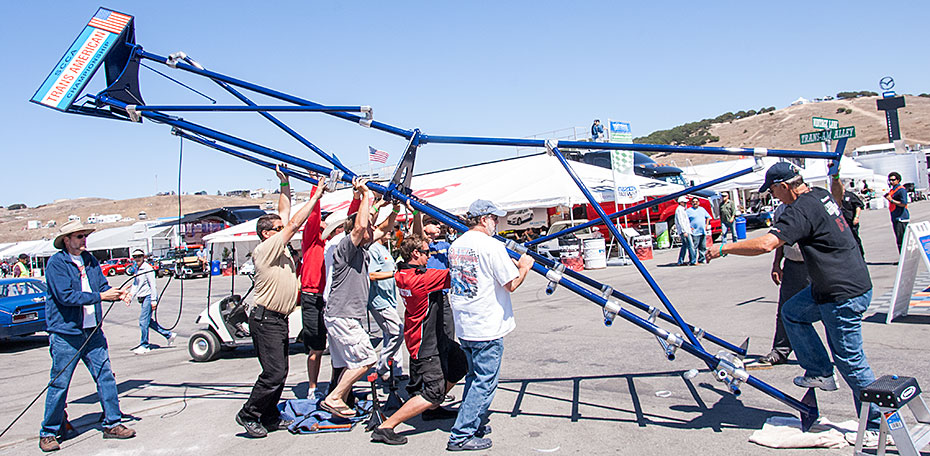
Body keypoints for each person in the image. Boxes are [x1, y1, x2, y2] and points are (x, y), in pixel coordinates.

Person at [707, 162, 882, 445]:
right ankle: (819, 372)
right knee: (792, 312)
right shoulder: (820, 195)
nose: (775, 197)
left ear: (784, 186)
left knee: (851, 361)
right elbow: (837, 194)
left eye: (774, 191)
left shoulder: (799, 210)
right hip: (840, 286)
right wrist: (835, 175)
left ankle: (876, 425)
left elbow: (766, 244)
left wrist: (724, 248)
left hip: (841, 294)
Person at [236, 167, 327, 438]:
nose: (282, 230)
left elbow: (284, 215)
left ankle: (271, 414)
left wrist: (285, 183)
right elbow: (291, 224)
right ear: (266, 234)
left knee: (281, 371)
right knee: (274, 373)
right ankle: (248, 414)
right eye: (276, 229)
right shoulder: (266, 248)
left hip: (278, 318)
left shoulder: (277, 243)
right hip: (266, 319)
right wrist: (316, 196)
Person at [446, 199, 534, 452]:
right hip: (486, 322)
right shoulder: (491, 246)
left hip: (466, 321)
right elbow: (511, 283)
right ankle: (461, 435)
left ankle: (471, 423)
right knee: (485, 381)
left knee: (474, 377)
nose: (497, 222)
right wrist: (525, 267)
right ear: (484, 219)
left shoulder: (457, 244)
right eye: (494, 218)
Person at [40, 220, 135, 452]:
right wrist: (101, 297)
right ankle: (49, 431)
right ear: (67, 240)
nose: (84, 240)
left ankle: (113, 423)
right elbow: (66, 296)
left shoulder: (90, 261)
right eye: (79, 236)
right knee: (60, 384)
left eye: (85, 236)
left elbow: (102, 286)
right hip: (66, 333)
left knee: (106, 377)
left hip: (93, 332)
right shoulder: (56, 264)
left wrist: (119, 293)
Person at [370, 233, 467, 445]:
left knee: (461, 363)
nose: (429, 256)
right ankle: (386, 426)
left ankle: (432, 408)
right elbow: (458, 274)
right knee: (433, 391)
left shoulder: (402, 272)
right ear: (415, 253)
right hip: (426, 343)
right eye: (426, 253)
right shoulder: (421, 279)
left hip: (431, 337)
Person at [320, 178, 398, 419]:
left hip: (344, 313)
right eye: (366, 229)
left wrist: (394, 208)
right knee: (366, 359)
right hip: (341, 313)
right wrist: (367, 196)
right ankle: (334, 397)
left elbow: (383, 228)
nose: (370, 232)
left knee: (347, 362)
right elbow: (360, 226)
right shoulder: (344, 247)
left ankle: (340, 398)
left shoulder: (362, 247)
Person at [754, 203, 809, 366]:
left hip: (815, 264)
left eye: (774, 189)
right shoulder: (781, 210)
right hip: (792, 264)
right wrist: (777, 263)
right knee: (785, 309)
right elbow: (778, 241)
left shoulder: (811, 203)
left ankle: (841, 355)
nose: (774, 194)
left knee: (827, 310)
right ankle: (780, 350)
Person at [367, 201, 405, 380]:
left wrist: (396, 209)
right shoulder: (373, 248)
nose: (391, 230)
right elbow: (372, 274)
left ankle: (395, 372)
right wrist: (393, 274)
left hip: (389, 299)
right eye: (388, 227)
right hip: (379, 301)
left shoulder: (384, 248)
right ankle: (381, 367)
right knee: (397, 331)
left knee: (391, 335)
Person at [298, 178, 329, 399]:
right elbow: (313, 216)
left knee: (337, 348)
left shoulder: (335, 245)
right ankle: (312, 387)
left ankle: (338, 386)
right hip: (311, 297)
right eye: (325, 221)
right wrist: (316, 191)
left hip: (330, 298)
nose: (327, 224)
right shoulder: (311, 240)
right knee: (316, 348)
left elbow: (352, 221)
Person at [124, 249, 176, 354]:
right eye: (135, 257)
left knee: (143, 321)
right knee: (148, 321)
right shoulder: (137, 269)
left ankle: (145, 345)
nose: (137, 258)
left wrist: (153, 300)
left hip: (148, 297)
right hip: (141, 297)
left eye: (139, 256)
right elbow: (135, 284)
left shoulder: (148, 269)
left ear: (144, 257)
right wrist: (130, 296)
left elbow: (153, 285)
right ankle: (168, 335)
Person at [885, 172, 909, 252]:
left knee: (902, 239)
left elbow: (903, 203)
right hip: (895, 217)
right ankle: (901, 256)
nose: (891, 182)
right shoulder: (893, 190)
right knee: (899, 239)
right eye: (890, 180)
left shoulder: (901, 190)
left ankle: (904, 257)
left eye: (893, 180)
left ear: (898, 180)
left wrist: (891, 200)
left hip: (901, 218)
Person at [841, 184, 865, 257]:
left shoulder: (850, 195)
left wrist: (856, 217)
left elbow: (858, 206)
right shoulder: (835, 197)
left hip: (851, 221)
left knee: (855, 238)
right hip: (842, 223)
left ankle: (860, 255)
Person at [685, 197, 711, 264]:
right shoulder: (688, 211)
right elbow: (685, 220)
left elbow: (708, 217)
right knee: (694, 247)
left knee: (703, 247)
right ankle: (693, 260)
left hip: (702, 231)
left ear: (699, 203)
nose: (695, 203)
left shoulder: (702, 209)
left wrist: (706, 225)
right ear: (691, 203)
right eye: (693, 201)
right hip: (695, 233)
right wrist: (689, 228)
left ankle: (702, 259)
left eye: (696, 201)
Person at [674, 196, 695, 266]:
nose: (686, 203)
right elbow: (681, 221)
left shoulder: (682, 209)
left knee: (685, 246)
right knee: (690, 245)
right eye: (684, 202)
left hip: (686, 230)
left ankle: (681, 261)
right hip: (685, 231)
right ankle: (693, 260)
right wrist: (684, 231)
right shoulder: (679, 210)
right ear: (681, 202)